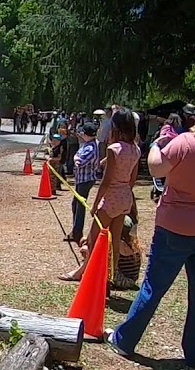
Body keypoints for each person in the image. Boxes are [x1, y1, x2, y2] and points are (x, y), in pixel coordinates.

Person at [108, 94, 195, 366]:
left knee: (154, 286)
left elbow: (156, 168)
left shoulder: (185, 143)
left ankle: (125, 340)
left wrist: (157, 144)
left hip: (175, 228)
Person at [60, 108, 140, 281]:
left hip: (111, 197)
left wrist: (96, 204)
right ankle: (110, 276)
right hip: (125, 196)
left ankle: (81, 272)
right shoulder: (135, 149)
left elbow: (106, 180)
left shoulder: (114, 149)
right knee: (115, 239)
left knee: (93, 237)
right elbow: (132, 179)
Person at [67, 122, 101, 243]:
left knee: (80, 206)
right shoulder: (88, 145)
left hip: (85, 180)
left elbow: (80, 162)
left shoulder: (90, 147)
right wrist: (76, 156)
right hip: (81, 179)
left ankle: (77, 232)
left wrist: (75, 157)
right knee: (75, 204)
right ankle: (75, 230)